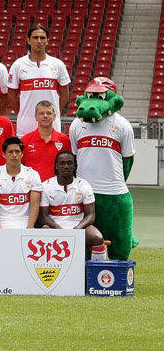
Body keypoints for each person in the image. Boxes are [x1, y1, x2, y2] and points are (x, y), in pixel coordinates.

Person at [69, 77, 135, 260]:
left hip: (115, 194)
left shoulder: (123, 125)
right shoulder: (77, 124)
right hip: (84, 194)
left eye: (100, 95)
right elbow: (74, 159)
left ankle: (118, 273)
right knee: (84, 244)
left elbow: (128, 161)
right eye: (91, 94)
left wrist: (115, 182)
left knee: (118, 242)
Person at [38, 151, 107, 259]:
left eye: (70, 163)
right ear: (56, 166)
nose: (66, 166)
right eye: (62, 163)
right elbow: (43, 217)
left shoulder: (83, 185)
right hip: (53, 226)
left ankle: (97, 268)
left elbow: (91, 215)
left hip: (78, 226)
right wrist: (57, 228)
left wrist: (78, 228)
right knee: (39, 236)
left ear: (75, 166)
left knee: (97, 238)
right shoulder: (46, 186)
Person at [7, 25, 71, 137]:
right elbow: (11, 96)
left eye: (42, 38)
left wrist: (53, 112)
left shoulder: (58, 64)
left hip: (52, 125)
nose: (39, 41)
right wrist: (24, 113)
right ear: (28, 40)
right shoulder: (18, 65)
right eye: (35, 38)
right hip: (26, 126)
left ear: (47, 41)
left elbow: (65, 96)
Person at [0, 137, 42, 229]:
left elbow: (35, 205)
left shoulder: (33, 174)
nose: (14, 155)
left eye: (17, 151)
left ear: (22, 154)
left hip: (25, 223)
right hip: (1, 223)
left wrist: (30, 227)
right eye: (10, 152)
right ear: (4, 154)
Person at [21, 100, 71, 181]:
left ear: (54, 116)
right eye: (41, 113)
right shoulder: (25, 140)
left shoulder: (64, 140)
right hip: (32, 186)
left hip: (56, 186)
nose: (45, 116)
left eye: (49, 113)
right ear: (36, 117)